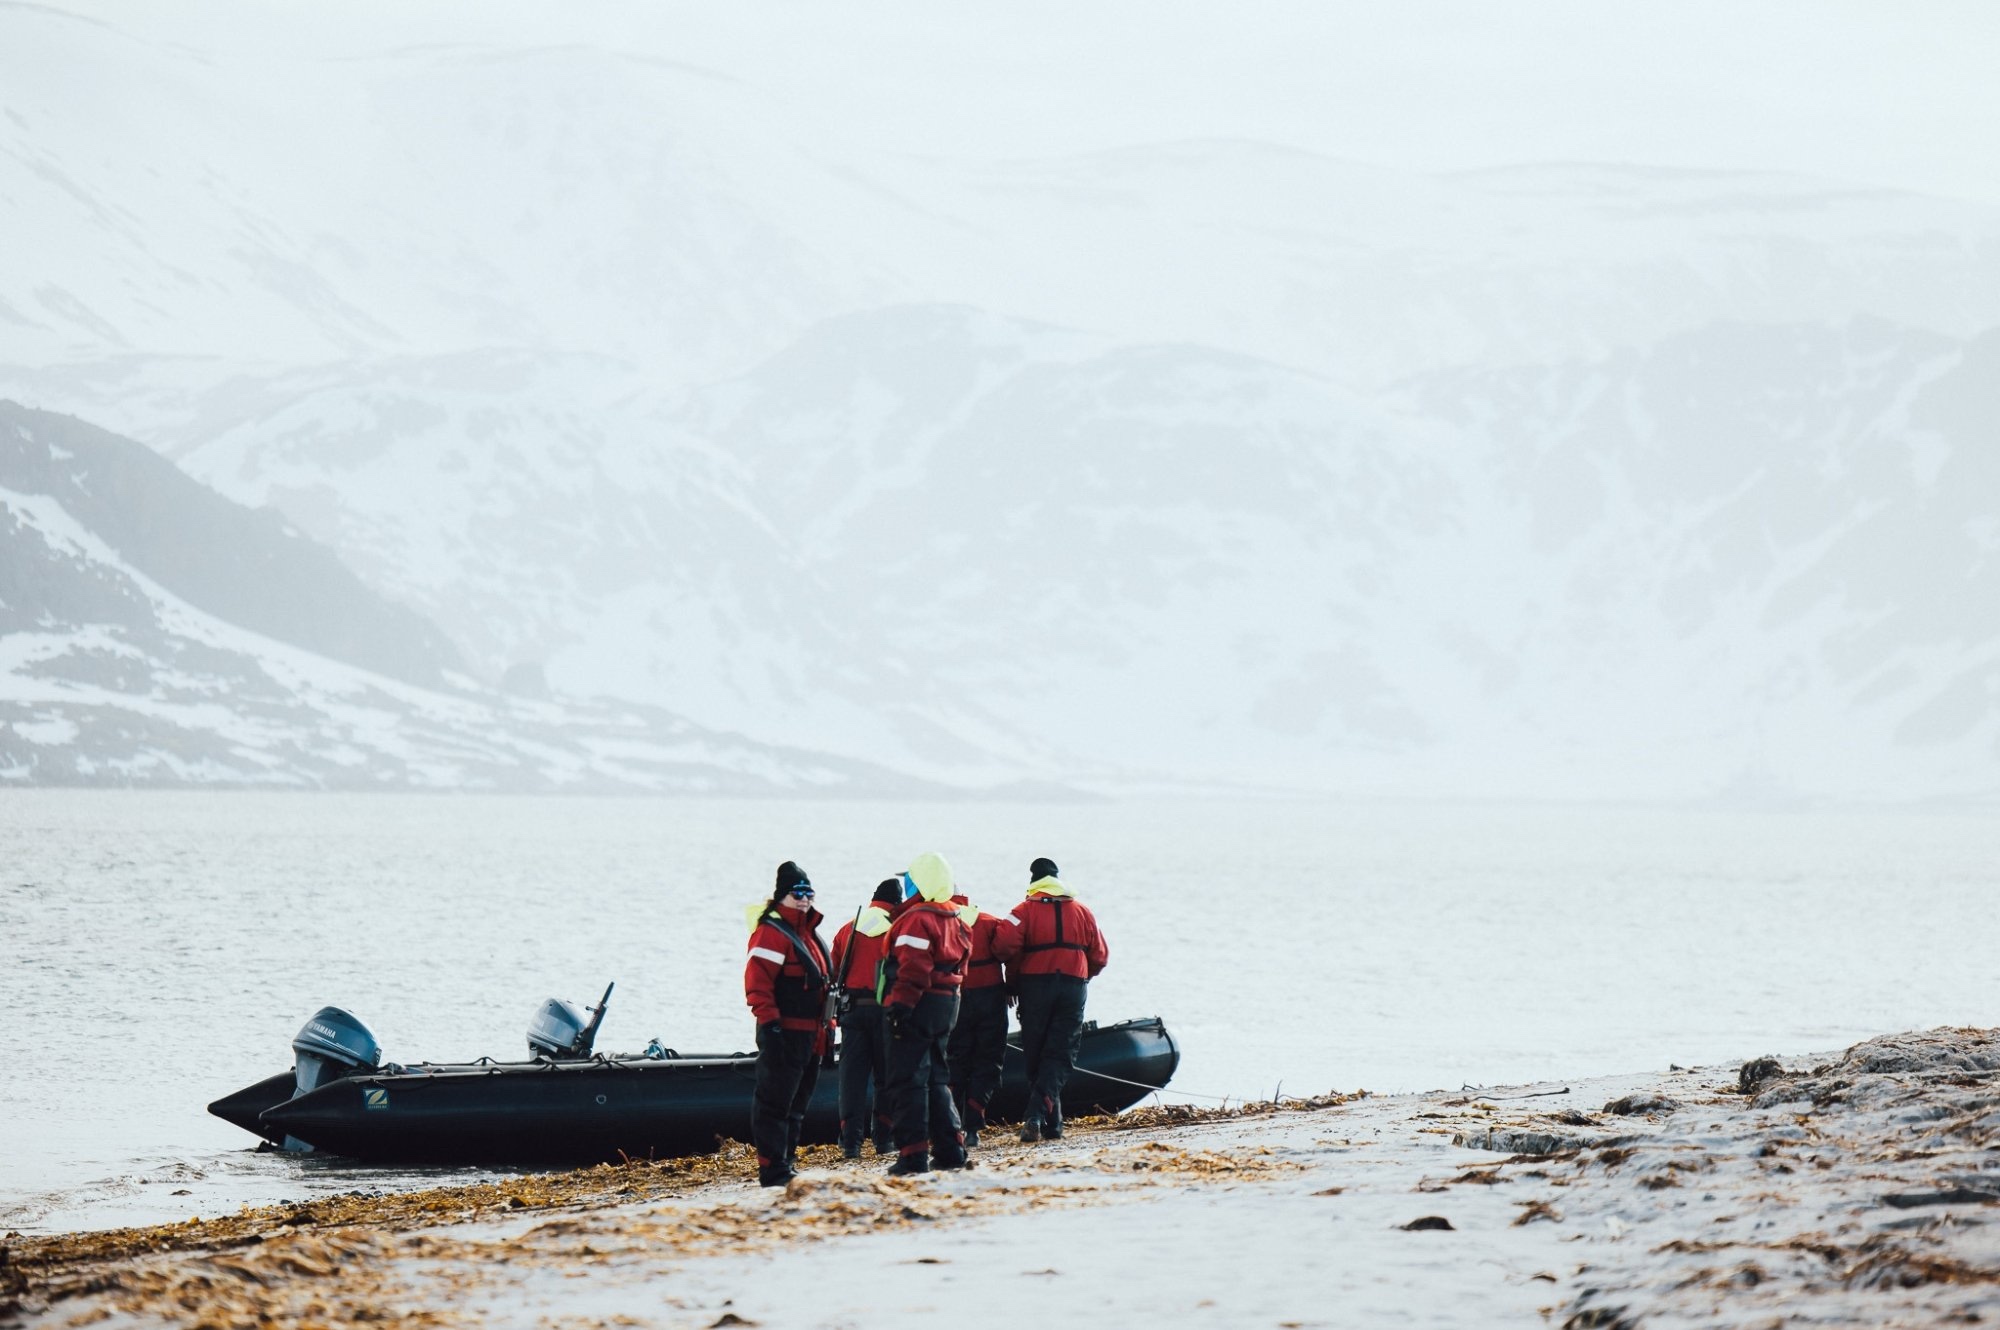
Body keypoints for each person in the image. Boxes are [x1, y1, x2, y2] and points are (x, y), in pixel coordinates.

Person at [992, 856, 1108, 1143]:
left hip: (1035, 988)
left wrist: (1012, 981)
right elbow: (1100, 955)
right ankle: (1052, 1124)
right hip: (1072, 987)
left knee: (1037, 1053)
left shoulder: (1022, 910)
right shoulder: (1083, 911)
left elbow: (1002, 946)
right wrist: (1083, 975)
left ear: (1033, 883)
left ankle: (1034, 1116)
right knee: (1060, 1053)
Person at [879, 851, 971, 1175]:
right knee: (937, 1078)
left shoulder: (918, 919)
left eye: (909, 880)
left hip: (918, 1004)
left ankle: (912, 1155)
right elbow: (962, 965)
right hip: (947, 1005)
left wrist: (900, 1008)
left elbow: (914, 968)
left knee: (908, 1080)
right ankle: (951, 1150)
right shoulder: (955, 917)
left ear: (918, 884)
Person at [743, 860, 834, 1188]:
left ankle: (786, 1162)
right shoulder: (771, 933)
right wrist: (771, 1026)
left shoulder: (809, 934)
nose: (804, 898)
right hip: (784, 1033)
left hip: (812, 1036)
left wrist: (831, 1023)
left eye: (808, 892)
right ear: (781, 896)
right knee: (774, 1104)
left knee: (797, 1105)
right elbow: (758, 984)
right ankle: (772, 1169)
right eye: (797, 892)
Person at [830, 878, 902, 1159]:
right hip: (887, 1012)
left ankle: (851, 1143)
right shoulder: (898, 929)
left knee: (852, 1079)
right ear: (897, 903)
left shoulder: (849, 928)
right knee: (886, 1078)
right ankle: (884, 1140)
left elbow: (833, 971)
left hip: (853, 1012)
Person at [945, 888, 1009, 1148]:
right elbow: (1010, 951)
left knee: (955, 1060)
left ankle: (951, 1123)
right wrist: (1012, 986)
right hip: (990, 996)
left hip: (955, 997)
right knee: (989, 1060)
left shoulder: (942, 922)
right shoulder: (990, 922)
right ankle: (974, 1123)